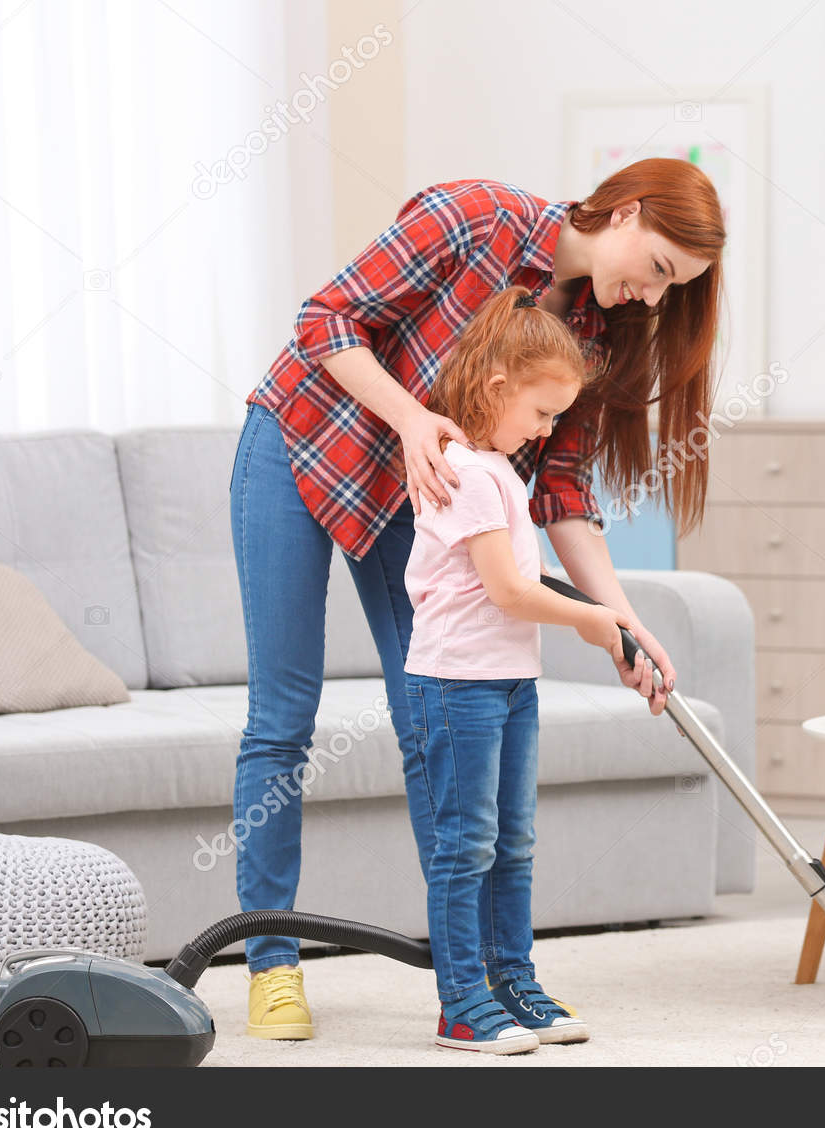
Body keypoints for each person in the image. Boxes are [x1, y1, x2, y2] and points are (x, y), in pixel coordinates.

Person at [231, 159, 725, 1040]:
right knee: (283, 718)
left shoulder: (596, 335)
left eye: (671, 289)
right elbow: (325, 319)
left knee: (433, 714)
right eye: (658, 269)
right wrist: (410, 417)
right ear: (626, 211)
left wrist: (623, 621)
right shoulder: (476, 218)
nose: (652, 298)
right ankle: (271, 964)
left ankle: (479, 979)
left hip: (420, 499)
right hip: (307, 443)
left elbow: (561, 491)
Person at [402, 285, 622, 1053]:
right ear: (497, 388)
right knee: (466, 843)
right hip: (457, 684)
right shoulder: (464, 471)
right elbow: (507, 590)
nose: (548, 429)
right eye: (542, 412)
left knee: (513, 841)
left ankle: (512, 981)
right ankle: (462, 1000)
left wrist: (607, 612)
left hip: (509, 680)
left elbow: (520, 580)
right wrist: (590, 619)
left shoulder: (498, 470)